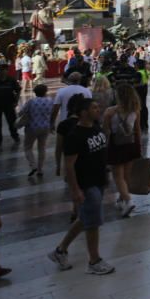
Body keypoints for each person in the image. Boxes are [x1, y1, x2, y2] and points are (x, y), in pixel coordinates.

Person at [47, 98, 115, 275]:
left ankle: (60, 251)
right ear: (84, 112)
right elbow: (69, 165)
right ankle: (94, 261)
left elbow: (101, 152)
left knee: (85, 218)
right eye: (94, 107)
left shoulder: (95, 126)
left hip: (98, 179)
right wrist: (75, 189)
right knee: (93, 223)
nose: (98, 109)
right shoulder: (75, 136)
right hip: (86, 183)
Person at [103, 86, 141, 218]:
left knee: (117, 176)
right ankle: (121, 200)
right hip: (131, 145)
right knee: (126, 176)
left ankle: (128, 200)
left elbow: (106, 131)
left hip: (116, 145)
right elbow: (137, 131)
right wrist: (139, 147)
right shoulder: (135, 110)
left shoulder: (110, 112)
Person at [20, 84, 53, 180]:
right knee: (41, 148)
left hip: (32, 127)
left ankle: (33, 165)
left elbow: (21, 112)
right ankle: (40, 169)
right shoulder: (50, 101)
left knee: (28, 147)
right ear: (45, 92)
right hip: (45, 127)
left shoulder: (31, 101)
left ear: (34, 92)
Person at [0, 61, 20, 148]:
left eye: (4, 69)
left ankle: (15, 136)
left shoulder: (11, 80)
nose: (2, 71)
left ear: (7, 70)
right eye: (0, 70)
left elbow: (18, 90)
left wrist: (16, 101)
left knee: (12, 122)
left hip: (9, 105)